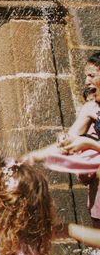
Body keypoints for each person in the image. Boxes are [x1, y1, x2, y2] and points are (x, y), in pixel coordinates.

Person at [22, 52, 100, 227]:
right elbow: (67, 144)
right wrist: (34, 156)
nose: (87, 81)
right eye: (86, 75)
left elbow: (84, 143)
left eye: (92, 75)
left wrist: (89, 144)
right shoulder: (90, 108)